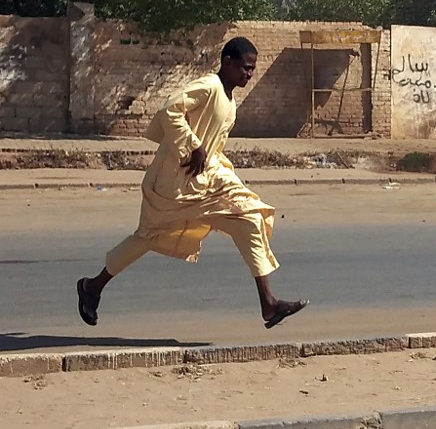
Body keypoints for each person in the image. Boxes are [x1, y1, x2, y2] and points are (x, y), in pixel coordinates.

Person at [76, 37, 308, 329]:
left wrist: (210, 160)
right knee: (146, 237)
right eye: (246, 68)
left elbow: (214, 145)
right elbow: (170, 109)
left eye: (252, 69)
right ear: (227, 62)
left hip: (207, 182)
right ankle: (92, 287)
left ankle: (268, 304)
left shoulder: (230, 99)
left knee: (249, 217)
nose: (249, 74)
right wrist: (193, 145)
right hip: (171, 185)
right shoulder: (209, 86)